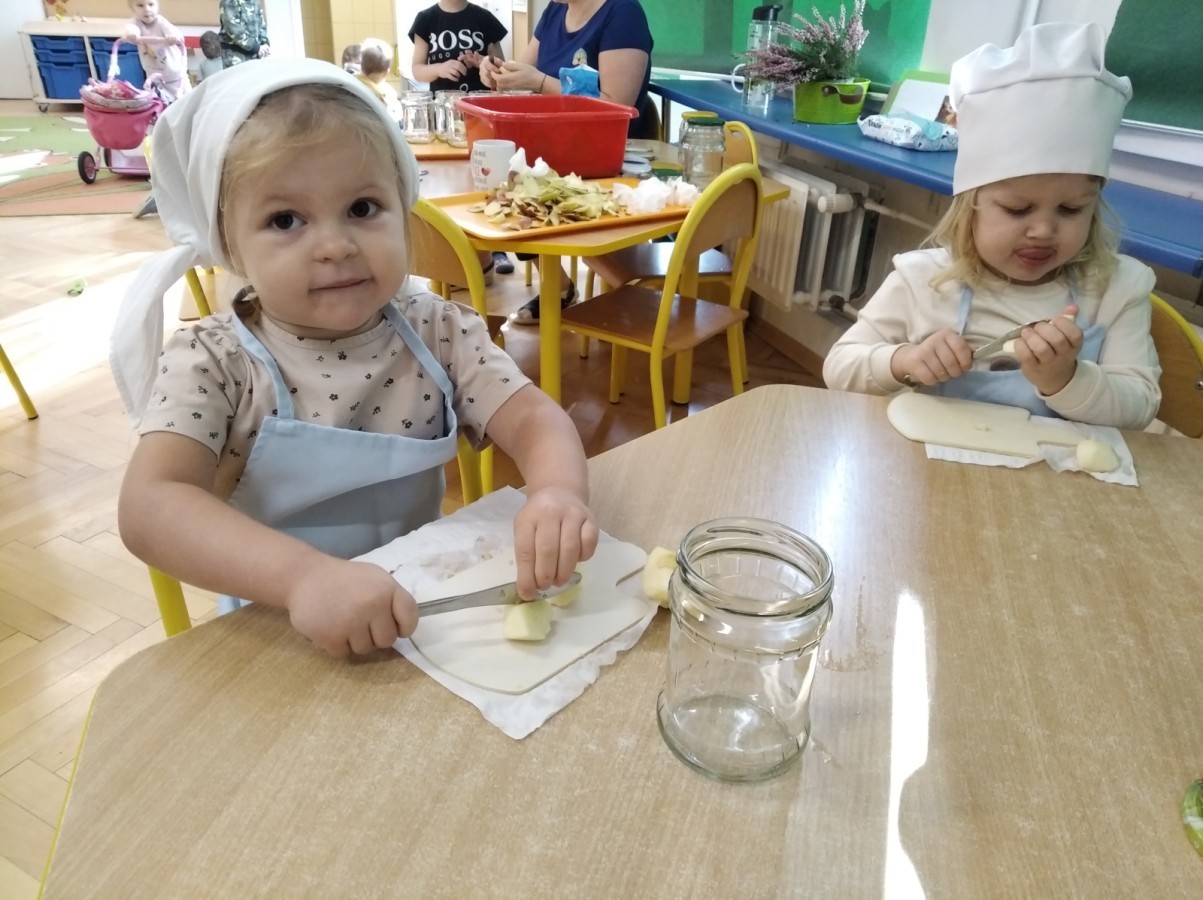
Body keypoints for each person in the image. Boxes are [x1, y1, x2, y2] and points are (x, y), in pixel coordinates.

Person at [110, 58, 599, 659]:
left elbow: (534, 418)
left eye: (362, 209)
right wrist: (302, 579)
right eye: (285, 220)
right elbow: (150, 506)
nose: (336, 246)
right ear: (229, 245)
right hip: (276, 631)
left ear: (404, 208)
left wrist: (557, 491)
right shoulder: (212, 363)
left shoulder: (440, 331)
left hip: (422, 609)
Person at [822, 22, 1161, 430]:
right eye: (1018, 210)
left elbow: (1140, 406)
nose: (1043, 230)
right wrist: (903, 361)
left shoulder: (1118, 289)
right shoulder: (923, 281)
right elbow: (840, 367)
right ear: (972, 207)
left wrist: (1067, 380)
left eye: (1071, 209)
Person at [479, 0, 654, 324]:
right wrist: (496, 73)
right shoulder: (555, 11)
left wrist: (540, 83)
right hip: (560, 147)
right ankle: (558, 286)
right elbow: (520, 72)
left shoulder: (623, 13)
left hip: (606, 158)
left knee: (523, 190)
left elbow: (616, 104)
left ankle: (588, 296)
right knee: (509, 188)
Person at [408, 0, 507, 94]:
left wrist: (482, 62)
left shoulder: (485, 18)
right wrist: (438, 69)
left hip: (479, 102)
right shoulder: (425, 19)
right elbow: (417, 70)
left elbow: (502, 70)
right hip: (443, 103)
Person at [123, 0, 190, 104]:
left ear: (157, 6)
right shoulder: (135, 23)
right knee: (159, 103)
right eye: (140, 5)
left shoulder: (161, 22)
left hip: (175, 76)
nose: (147, 9)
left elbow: (176, 34)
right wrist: (132, 34)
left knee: (187, 100)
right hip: (154, 77)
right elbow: (130, 29)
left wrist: (172, 36)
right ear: (132, 8)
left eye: (151, 4)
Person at [356, 38, 404, 120]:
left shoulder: (353, 81)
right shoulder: (385, 93)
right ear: (386, 72)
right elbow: (396, 117)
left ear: (361, 66)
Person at [218, 0, 270, 69]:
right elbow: (233, 29)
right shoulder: (229, 1)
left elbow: (261, 23)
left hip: (256, 54)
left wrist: (264, 43)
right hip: (236, 56)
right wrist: (255, 47)